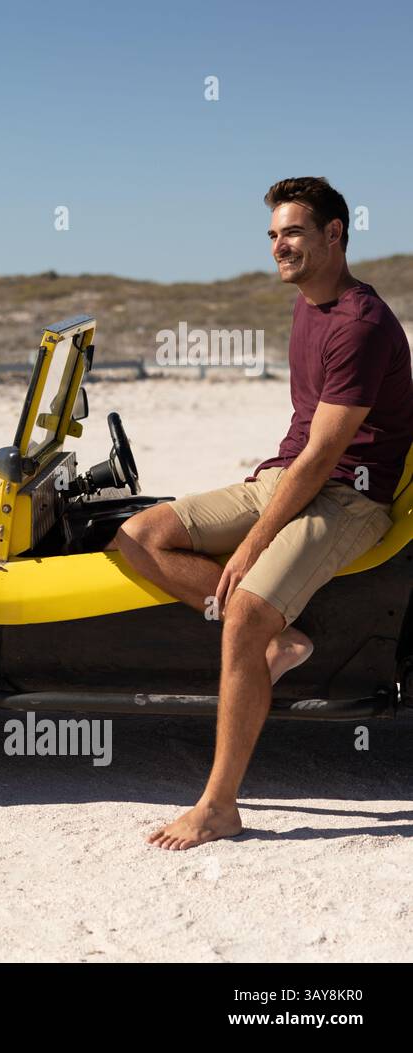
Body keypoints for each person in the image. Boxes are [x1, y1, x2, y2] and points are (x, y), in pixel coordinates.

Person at [105, 177, 413, 851]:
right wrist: (262, 498)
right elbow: (298, 451)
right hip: (289, 478)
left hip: (350, 497)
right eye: (274, 235)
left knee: (242, 607)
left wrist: (249, 550)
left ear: (336, 234)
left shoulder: (361, 325)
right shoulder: (309, 305)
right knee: (135, 534)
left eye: (294, 232)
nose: (280, 245)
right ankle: (278, 647)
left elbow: (322, 460)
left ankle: (219, 806)